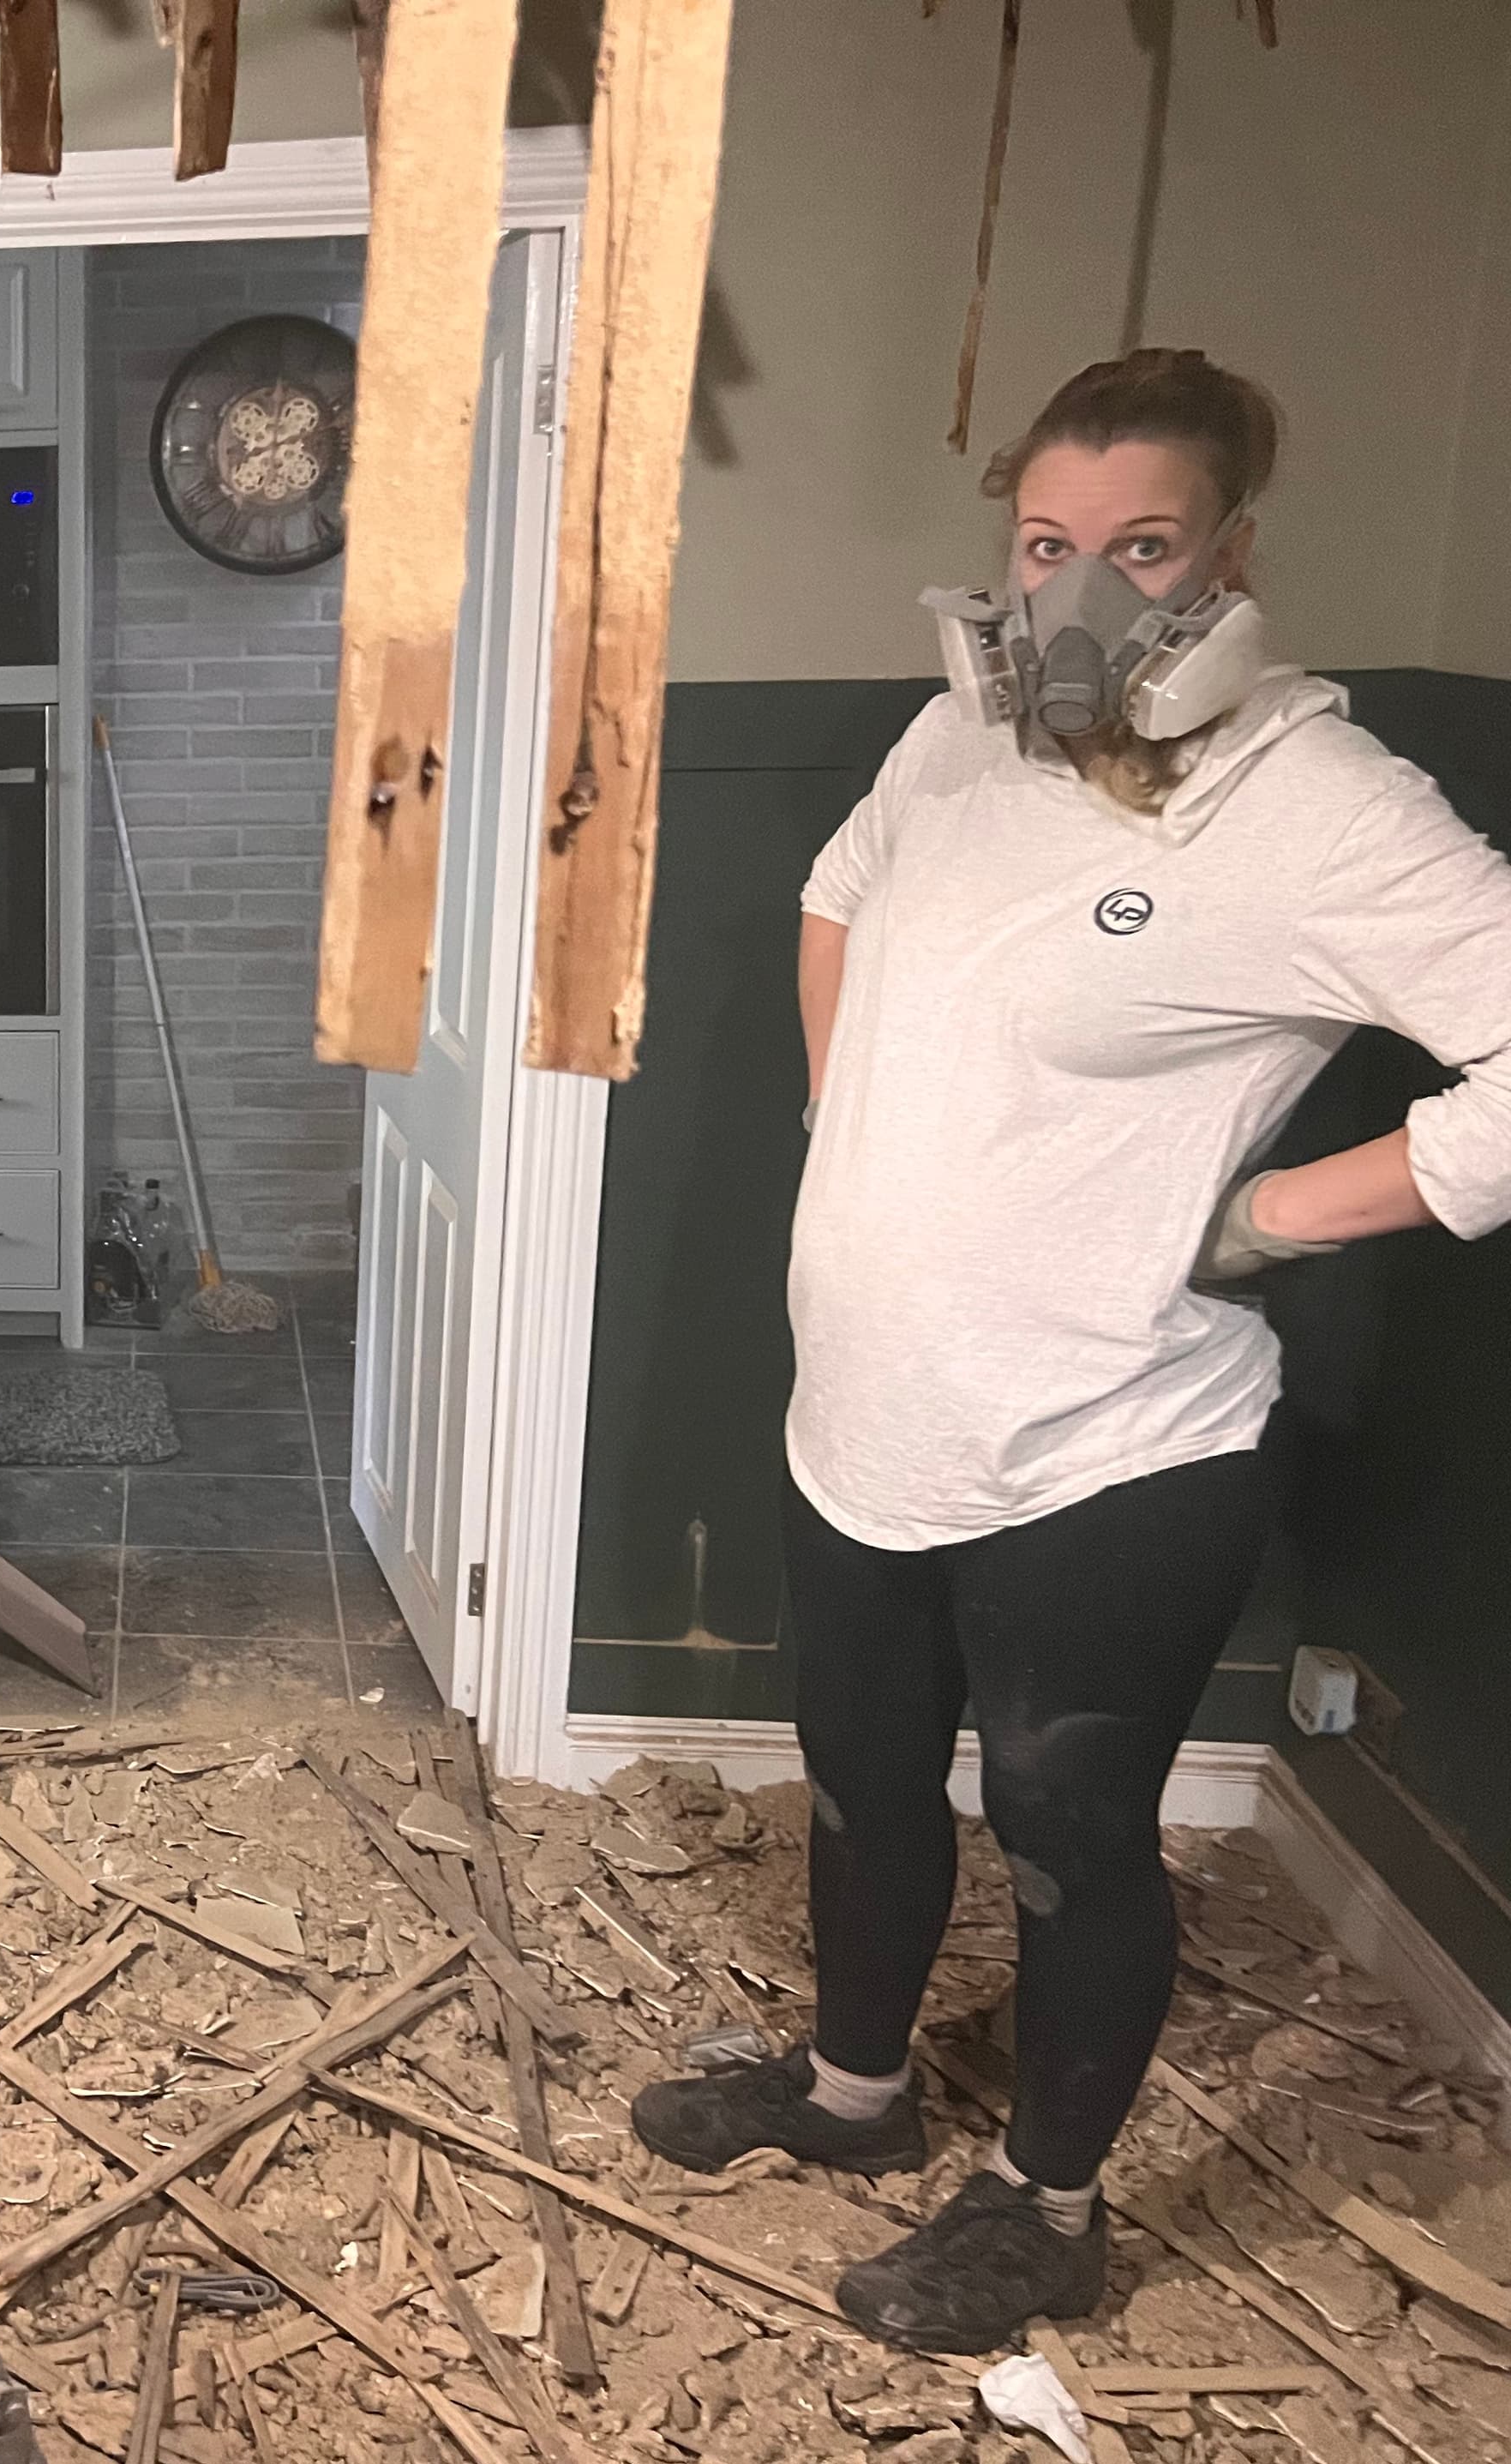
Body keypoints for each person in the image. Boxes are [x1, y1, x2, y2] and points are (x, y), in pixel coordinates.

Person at [627, 348, 1511, 2354]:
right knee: (861, 1779)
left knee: (1064, 1827)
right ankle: (854, 2100)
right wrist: (858, 1125)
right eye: (1046, 543)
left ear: (1227, 556)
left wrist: (1277, 1214)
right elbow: (839, 894)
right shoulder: (959, 743)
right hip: (866, 1406)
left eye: (1141, 545)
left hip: (1112, 1444)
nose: (1082, 595)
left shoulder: (1318, 803)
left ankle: (1053, 2206)